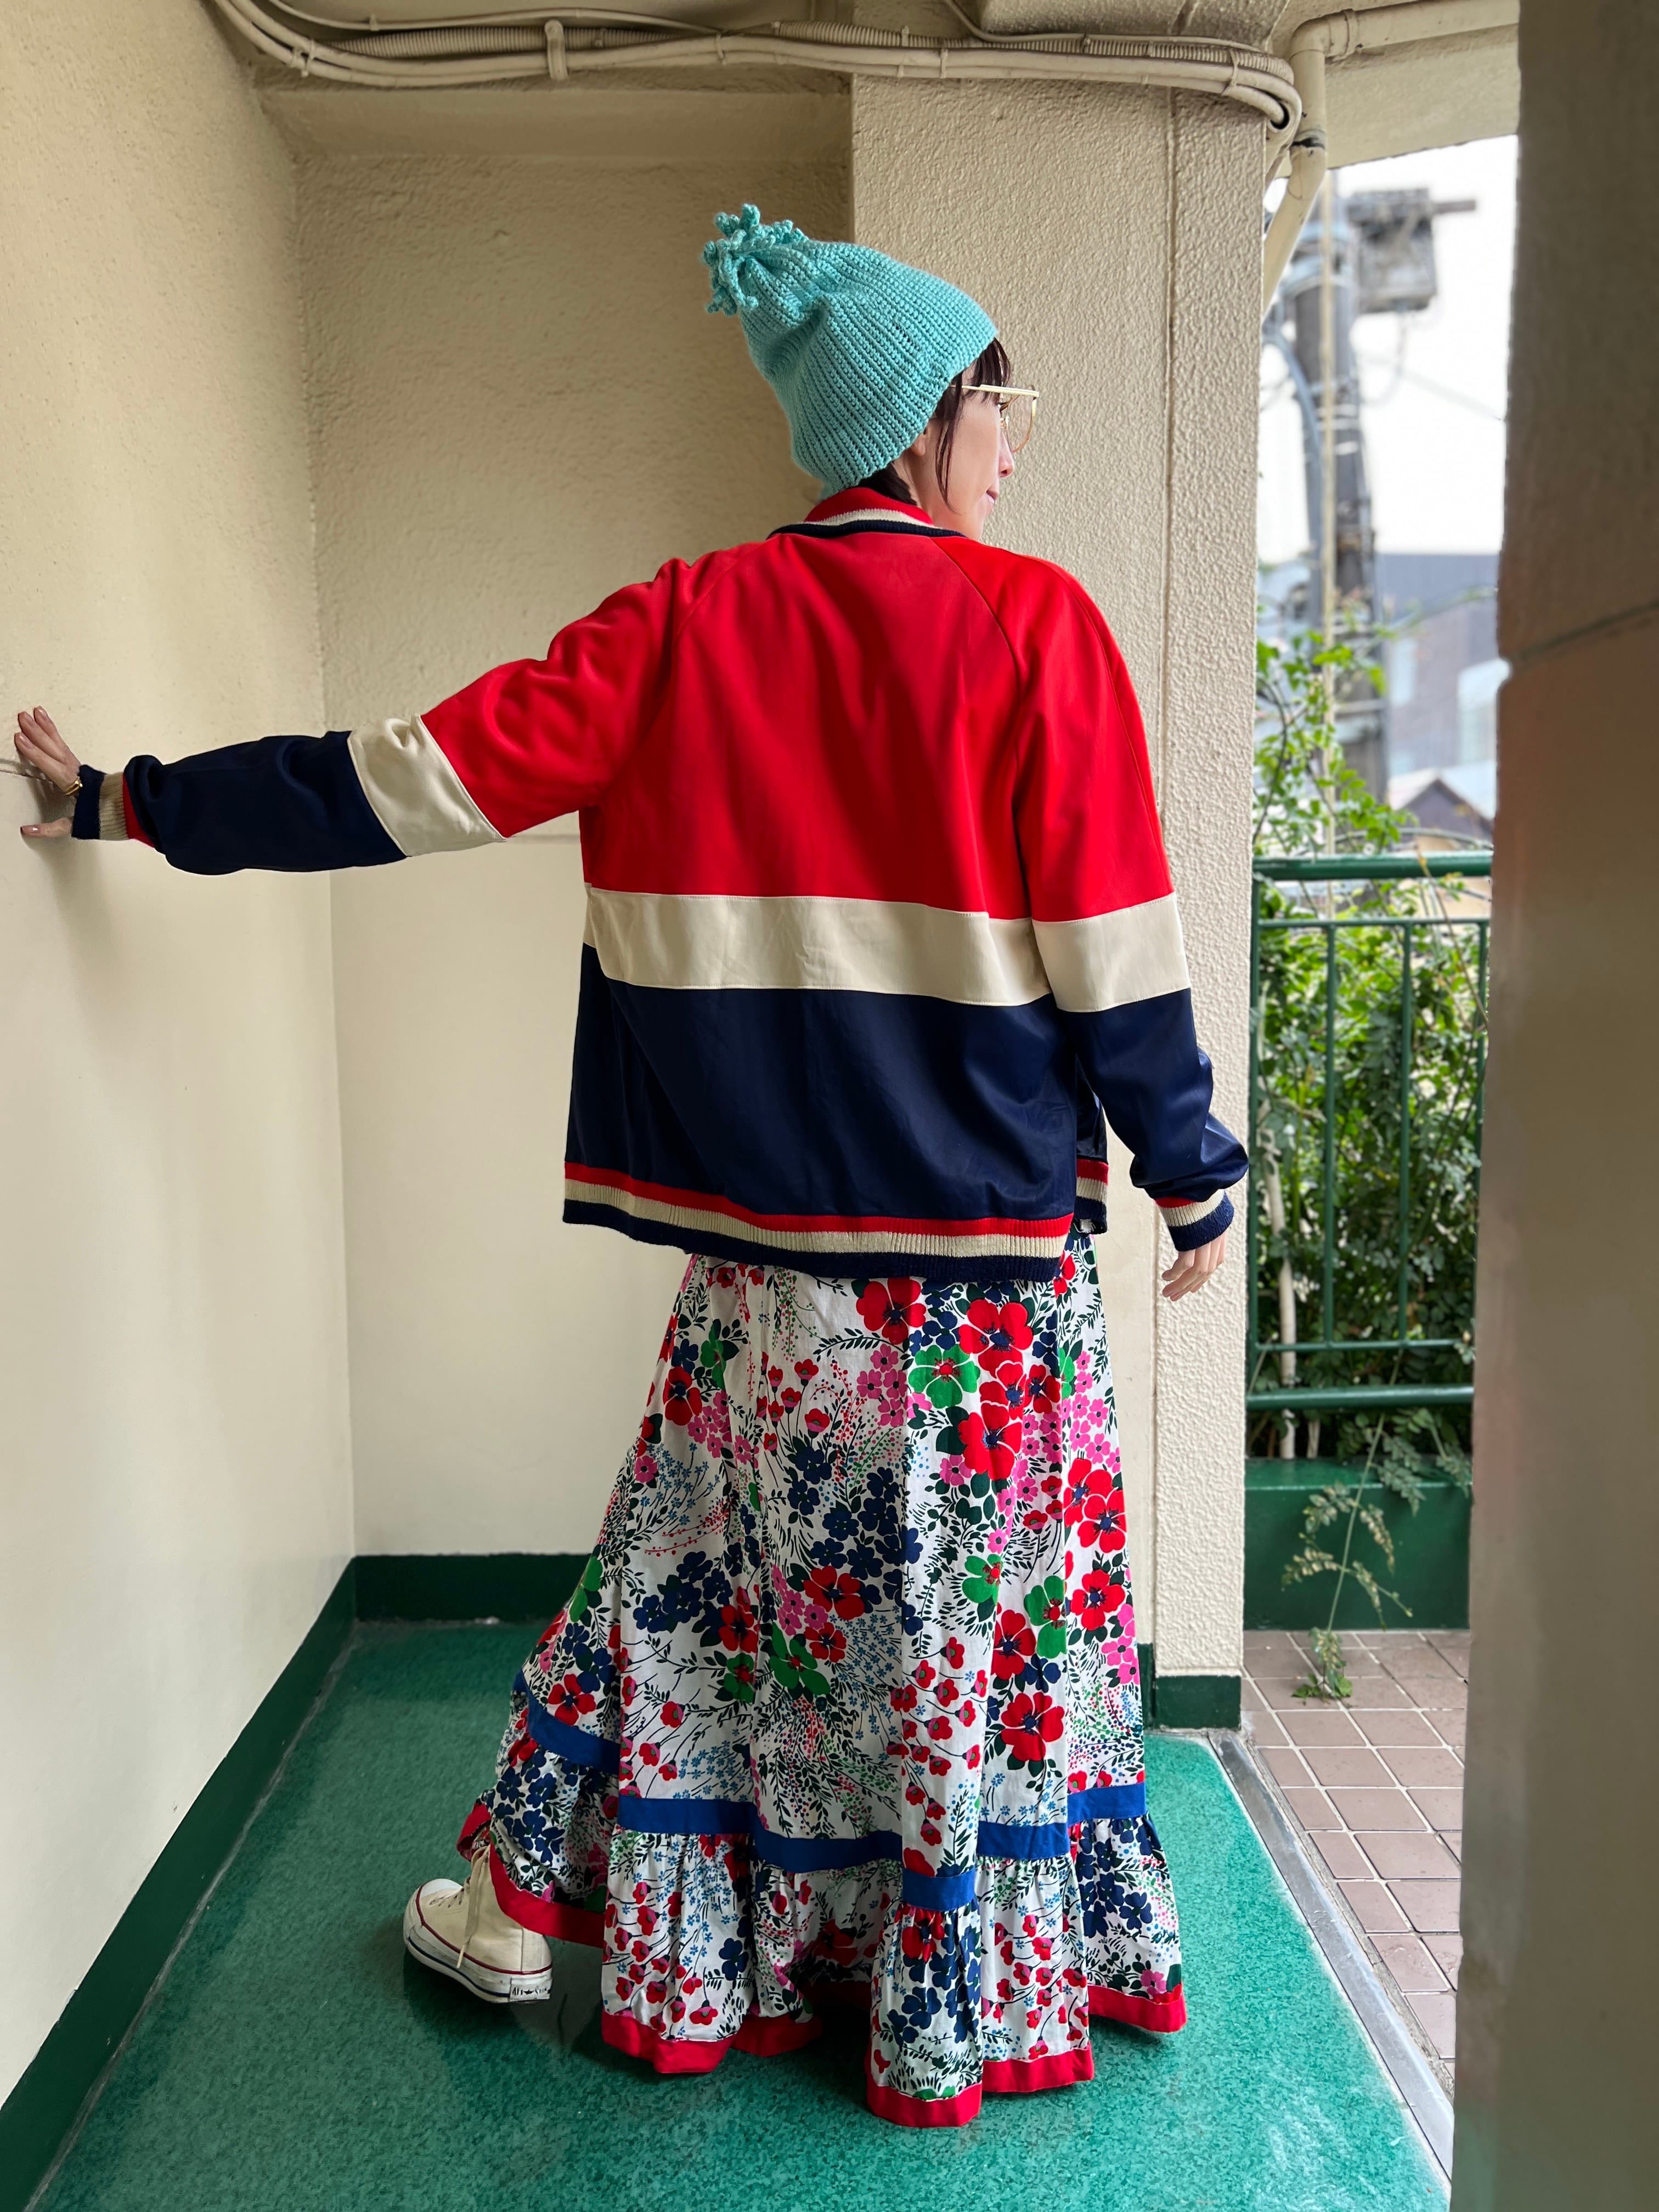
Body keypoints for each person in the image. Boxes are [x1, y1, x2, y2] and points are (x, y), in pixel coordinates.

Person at [16, 205, 1245, 2128]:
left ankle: (523, 1905)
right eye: (1000, 400)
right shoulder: (1041, 629)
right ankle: (944, 1987)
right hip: (991, 1301)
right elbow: (1116, 950)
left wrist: (128, 801)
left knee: (684, 1592)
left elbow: (400, 781)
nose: (1015, 441)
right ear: (924, 416)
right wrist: (1193, 1169)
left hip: (762, 1286)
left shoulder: (678, 625)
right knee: (980, 1630)